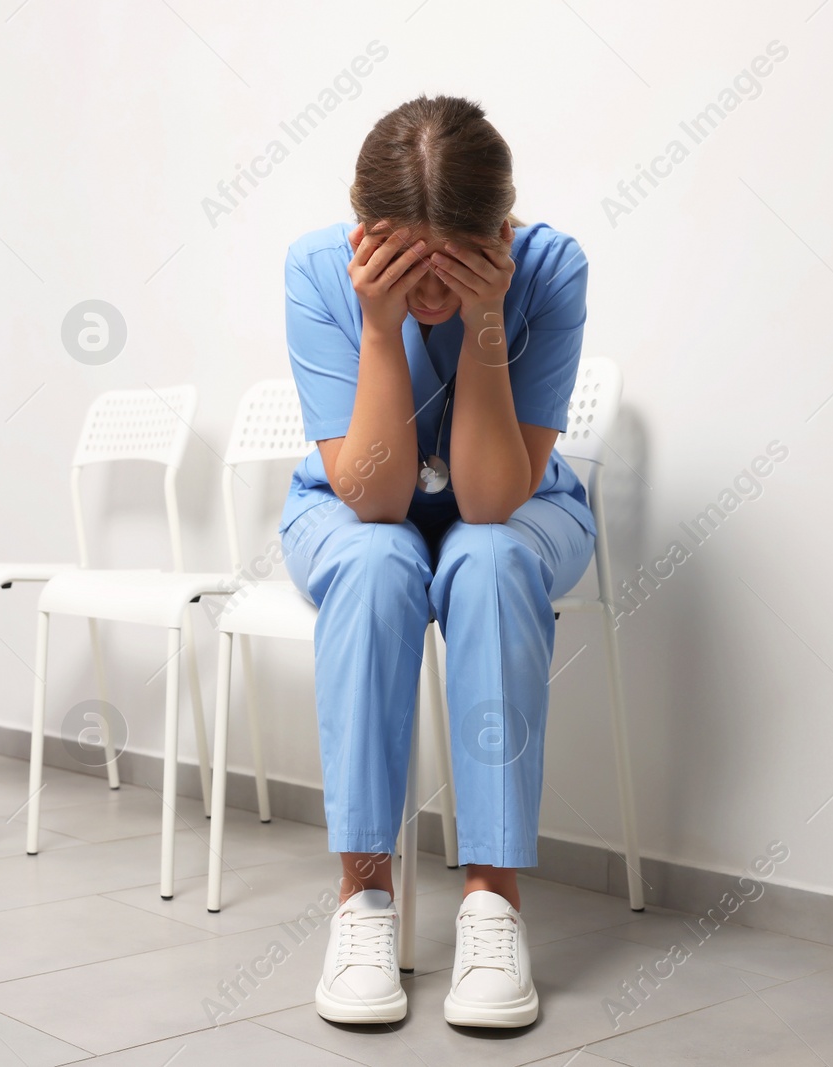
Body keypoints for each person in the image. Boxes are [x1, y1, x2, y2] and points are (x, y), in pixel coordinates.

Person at [280, 94, 597, 1028]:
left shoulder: (549, 269)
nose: (429, 295)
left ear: (499, 233)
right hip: (350, 506)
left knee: (490, 559)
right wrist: (381, 331)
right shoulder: (315, 269)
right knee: (380, 561)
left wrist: (487, 321)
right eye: (404, 263)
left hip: (518, 504)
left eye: (451, 265)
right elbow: (374, 497)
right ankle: (364, 901)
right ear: (363, 233)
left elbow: (493, 498)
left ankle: (492, 902)